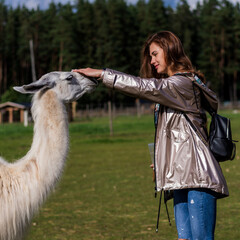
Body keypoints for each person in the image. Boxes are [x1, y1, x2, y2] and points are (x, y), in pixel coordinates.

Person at [73, 31, 229, 240]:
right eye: (150, 56)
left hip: (198, 176)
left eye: (155, 54)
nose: (152, 61)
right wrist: (163, 160)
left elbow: (144, 87)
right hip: (181, 177)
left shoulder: (181, 84)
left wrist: (103, 74)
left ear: (170, 49)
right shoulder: (172, 89)